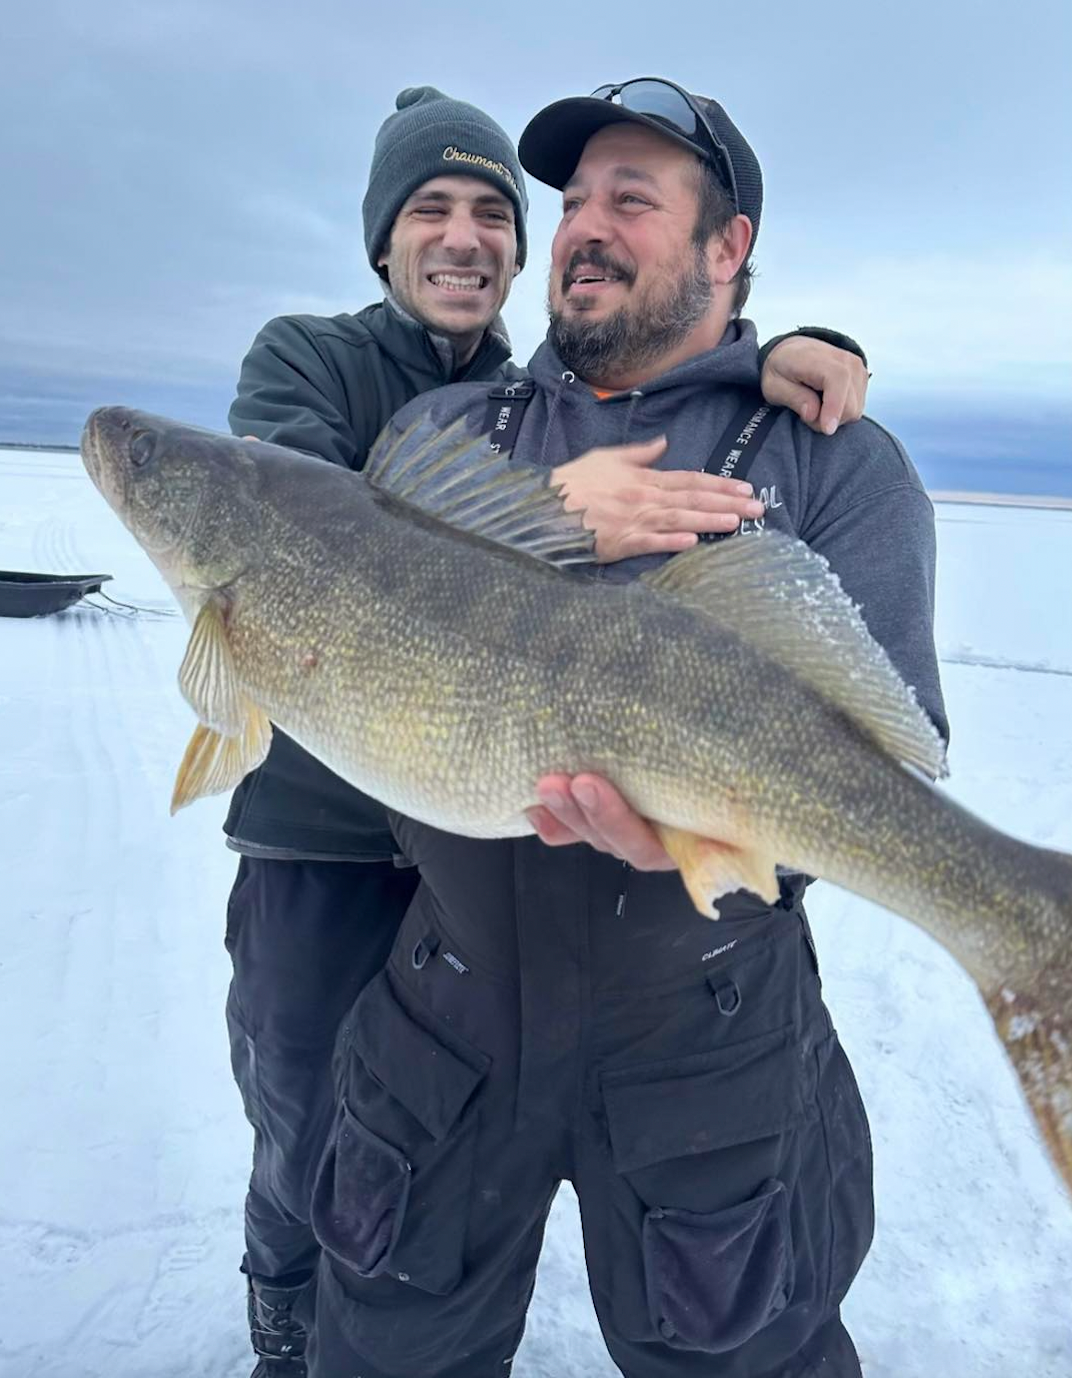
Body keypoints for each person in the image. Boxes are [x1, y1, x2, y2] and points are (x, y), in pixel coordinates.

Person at [224, 84, 872, 1377]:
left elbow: (644, 345)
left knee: (390, 1129)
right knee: (300, 1109)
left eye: (493, 215)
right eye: (432, 210)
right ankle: (281, 1292)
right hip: (326, 826)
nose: (466, 238)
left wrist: (770, 351)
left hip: (464, 836)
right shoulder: (318, 366)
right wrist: (548, 509)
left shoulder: (525, 383)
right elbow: (298, 534)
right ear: (381, 237)